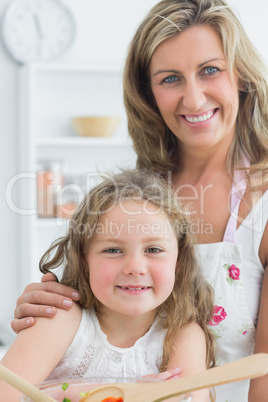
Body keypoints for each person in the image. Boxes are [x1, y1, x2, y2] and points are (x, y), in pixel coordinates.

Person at [11, 0, 268, 401]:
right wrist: (47, 304)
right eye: (170, 79)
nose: (194, 98)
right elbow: (88, 305)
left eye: (210, 70)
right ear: (148, 93)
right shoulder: (135, 197)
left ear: (242, 75)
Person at [1, 170, 215, 401]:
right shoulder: (59, 318)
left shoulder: (182, 333)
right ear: (84, 259)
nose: (135, 267)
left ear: (179, 260)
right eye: (113, 250)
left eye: (153, 250)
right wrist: (128, 395)